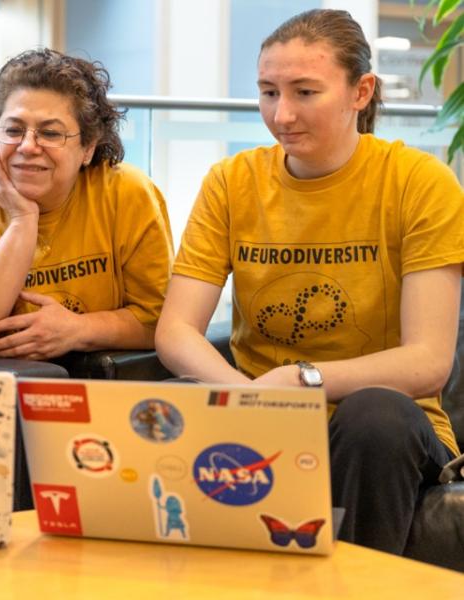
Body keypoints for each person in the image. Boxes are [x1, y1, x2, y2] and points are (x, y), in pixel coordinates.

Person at [155, 9, 463, 555]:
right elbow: (176, 330)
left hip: (383, 428)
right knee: (169, 406)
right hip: (258, 411)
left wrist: (301, 381)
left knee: (376, 415)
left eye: (305, 92)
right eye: (269, 92)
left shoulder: (419, 183)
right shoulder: (231, 181)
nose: (282, 114)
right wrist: (242, 395)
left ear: (360, 91)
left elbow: (428, 361)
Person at [0, 48, 174, 359]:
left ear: (88, 148)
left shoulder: (127, 193)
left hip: (100, 389)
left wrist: (79, 330)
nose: (27, 146)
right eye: (13, 130)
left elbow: (164, 323)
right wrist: (22, 220)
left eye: (50, 133)